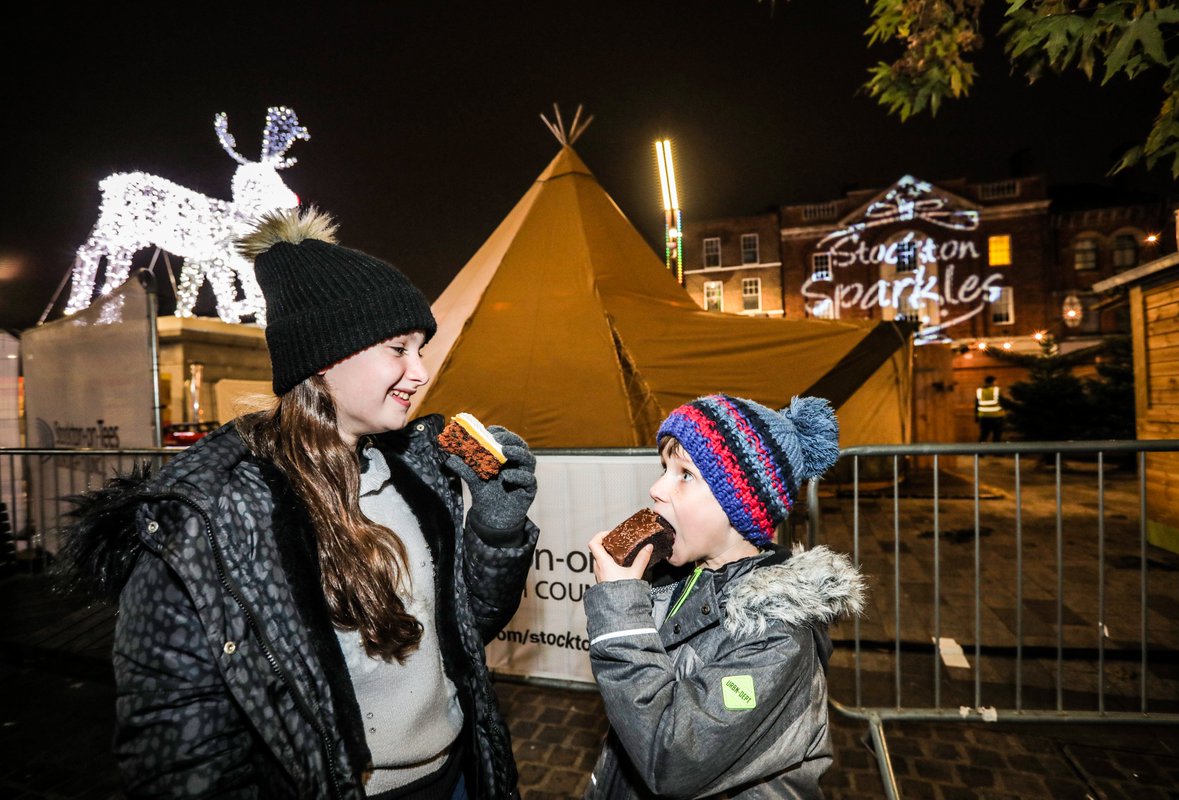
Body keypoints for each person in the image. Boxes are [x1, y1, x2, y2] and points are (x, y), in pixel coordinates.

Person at [58, 208, 538, 799]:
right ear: (325, 354)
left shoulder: (420, 469)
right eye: (399, 349)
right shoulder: (206, 518)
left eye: (422, 349)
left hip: (461, 775)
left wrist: (496, 531)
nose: (421, 371)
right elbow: (180, 751)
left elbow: (465, 633)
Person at [583, 394, 865, 799]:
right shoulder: (673, 579)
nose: (656, 488)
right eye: (664, 467)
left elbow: (672, 757)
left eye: (685, 474)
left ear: (740, 509)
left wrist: (619, 614)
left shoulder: (777, 640)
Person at [975, 374, 1005, 443]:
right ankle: (997, 452)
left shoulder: (979, 391)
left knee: (983, 435)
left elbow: (977, 404)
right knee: (997, 435)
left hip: (983, 417)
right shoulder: (997, 390)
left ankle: (980, 452)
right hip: (997, 416)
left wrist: (976, 416)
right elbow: (1002, 402)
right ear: (993, 382)